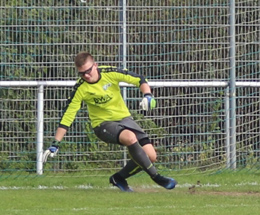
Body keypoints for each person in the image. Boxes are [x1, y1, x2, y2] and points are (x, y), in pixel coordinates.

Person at [41, 52, 176, 192]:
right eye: (82, 73)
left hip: (125, 119)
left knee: (151, 156)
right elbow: (68, 116)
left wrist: (147, 95)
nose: (86, 75)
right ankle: (157, 177)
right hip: (103, 125)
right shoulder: (80, 88)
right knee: (130, 137)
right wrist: (55, 143)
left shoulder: (110, 73)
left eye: (88, 71)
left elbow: (139, 79)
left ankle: (118, 178)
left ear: (95, 65)